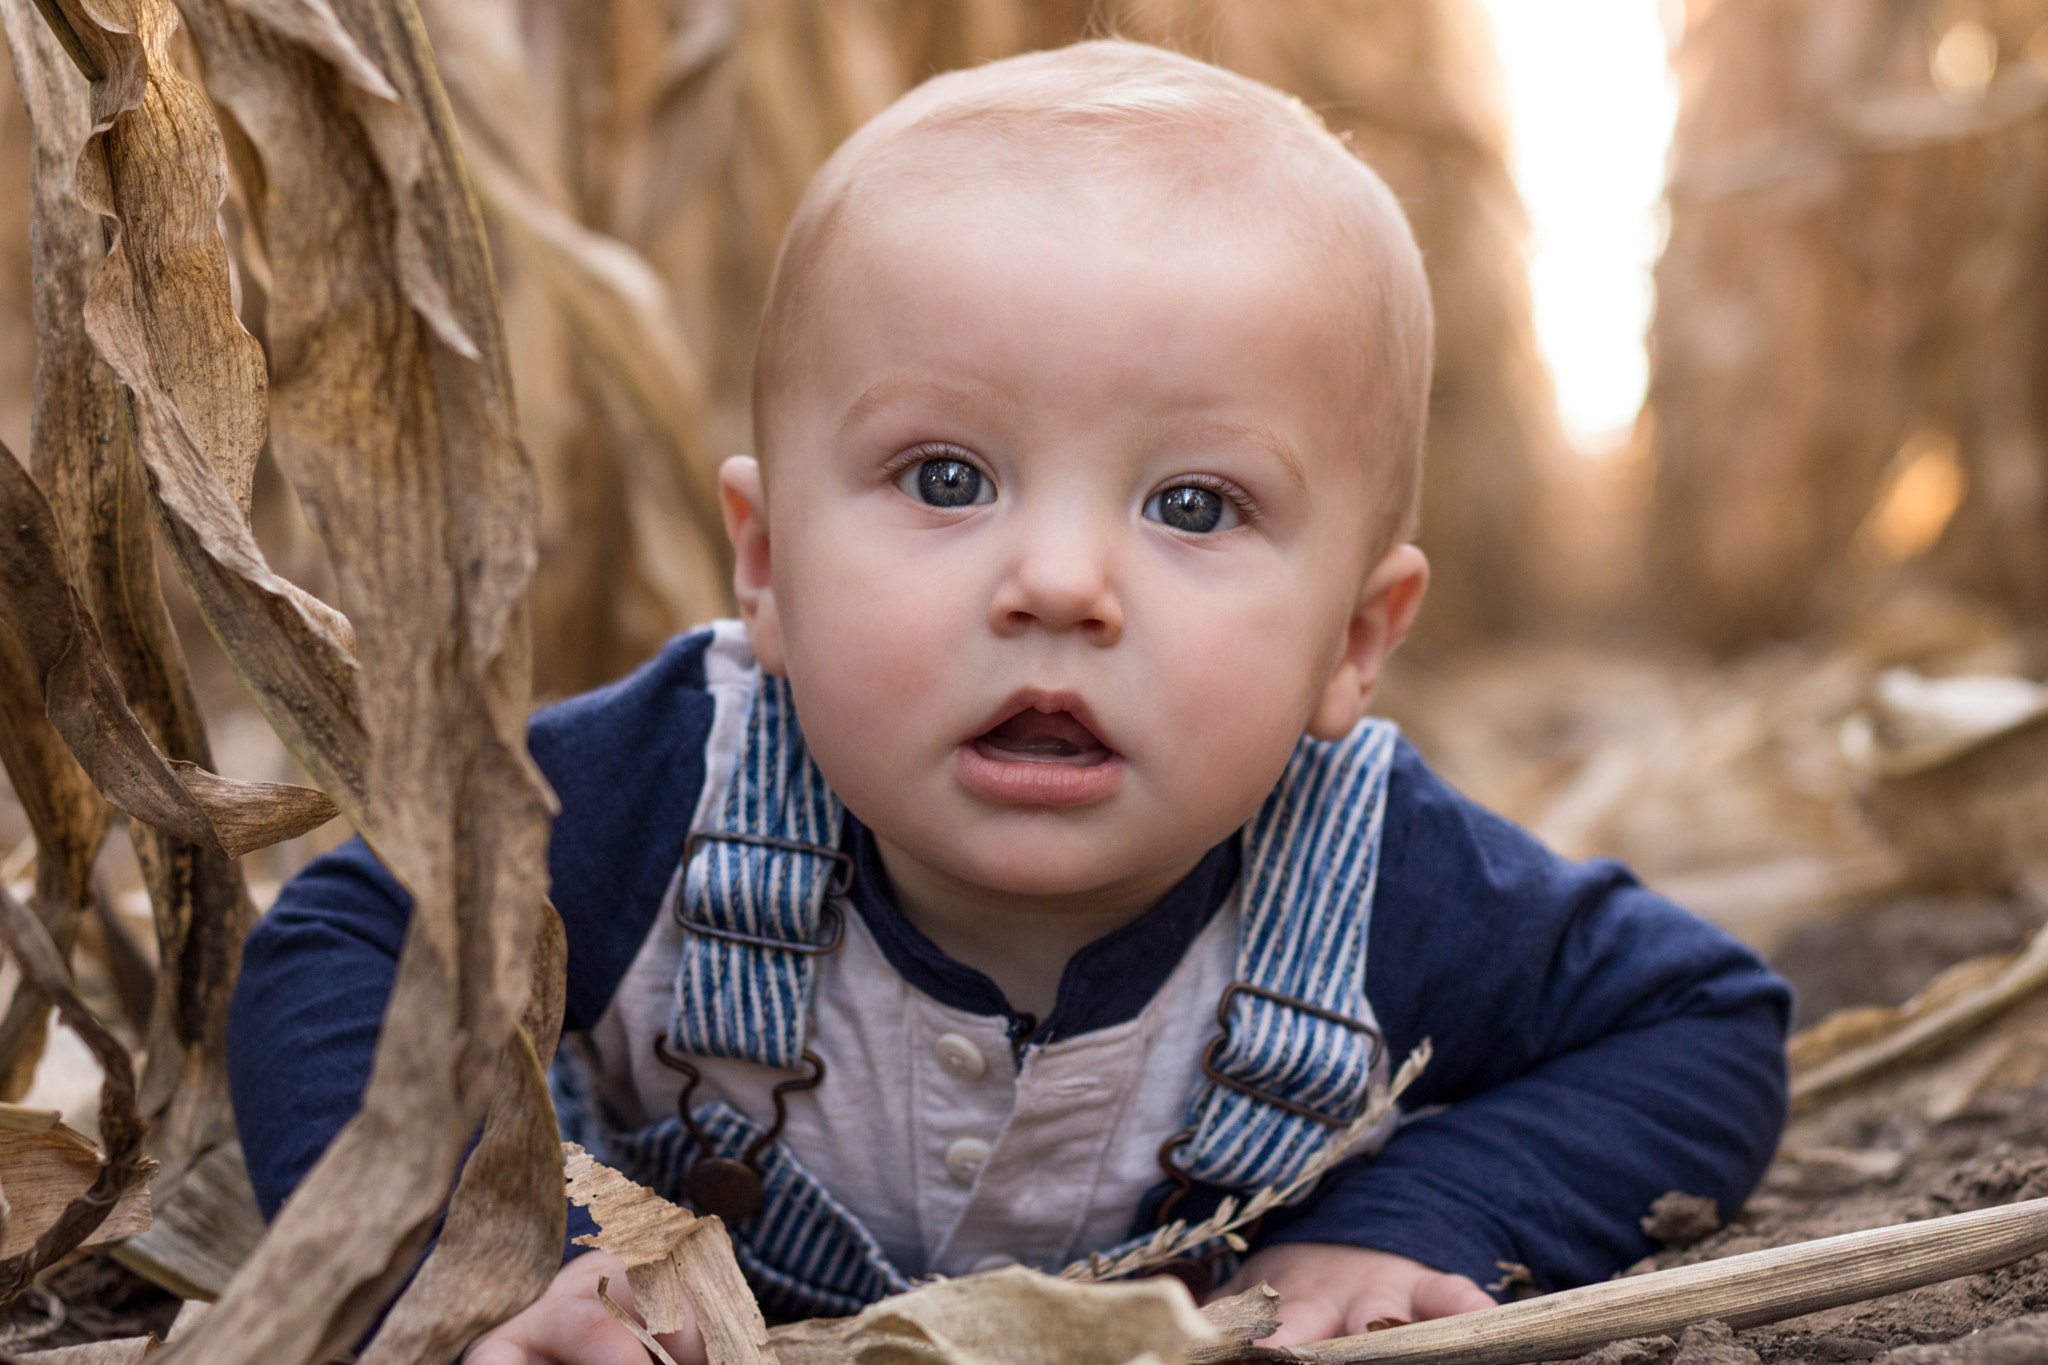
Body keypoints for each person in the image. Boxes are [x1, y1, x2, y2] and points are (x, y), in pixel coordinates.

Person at [227, 39, 1790, 1365]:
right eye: (948, 477)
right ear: (764, 568)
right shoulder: (672, 786)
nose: (1058, 580)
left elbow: (1705, 1024)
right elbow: (347, 942)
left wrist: (1414, 1216)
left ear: (1353, 643)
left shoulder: (1383, 875)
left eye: (1193, 505)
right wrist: (475, 1263)